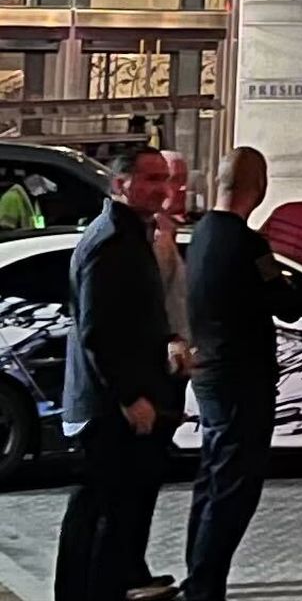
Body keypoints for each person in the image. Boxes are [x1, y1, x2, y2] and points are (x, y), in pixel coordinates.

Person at [55, 148, 183, 601]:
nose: (161, 189)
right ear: (120, 183)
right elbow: (100, 331)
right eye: (149, 178)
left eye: (164, 179)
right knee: (102, 507)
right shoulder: (111, 242)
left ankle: (113, 583)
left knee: (110, 504)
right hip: (109, 405)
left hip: (116, 397)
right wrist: (131, 395)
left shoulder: (132, 237)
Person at [183, 147, 297, 601]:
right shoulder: (248, 243)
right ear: (260, 186)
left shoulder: (203, 234)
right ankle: (205, 588)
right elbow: (284, 303)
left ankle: (198, 575)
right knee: (233, 487)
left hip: (208, 371)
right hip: (241, 378)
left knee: (211, 477)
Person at [126, 152, 194, 601]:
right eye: (156, 180)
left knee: (140, 484)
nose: (170, 190)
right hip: (146, 377)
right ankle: (127, 574)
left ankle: (132, 569)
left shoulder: (160, 235)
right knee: (128, 487)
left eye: (171, 180)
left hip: (161, 373)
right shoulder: (141, 241)